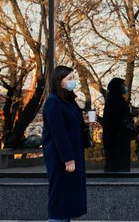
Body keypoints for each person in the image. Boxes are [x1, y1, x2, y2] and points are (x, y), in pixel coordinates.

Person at [42, 65, 87, 222]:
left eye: (74, 78)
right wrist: (68, 158)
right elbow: (58, 133)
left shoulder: (68, 101)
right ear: (59, 81)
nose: (73, 81)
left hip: (72, 157)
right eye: (69, 79)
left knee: (67, 201)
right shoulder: (53, 102)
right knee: (60, 202)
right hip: (62, 160)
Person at [102, 77, 137, 172]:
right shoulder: (113, 101)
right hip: (116, 140)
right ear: (117, 87)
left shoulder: (116, 99)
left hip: (118, 139)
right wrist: (131, 115)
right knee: (117, 165)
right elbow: (116, 119)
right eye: (123, 85)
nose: (125, 87)